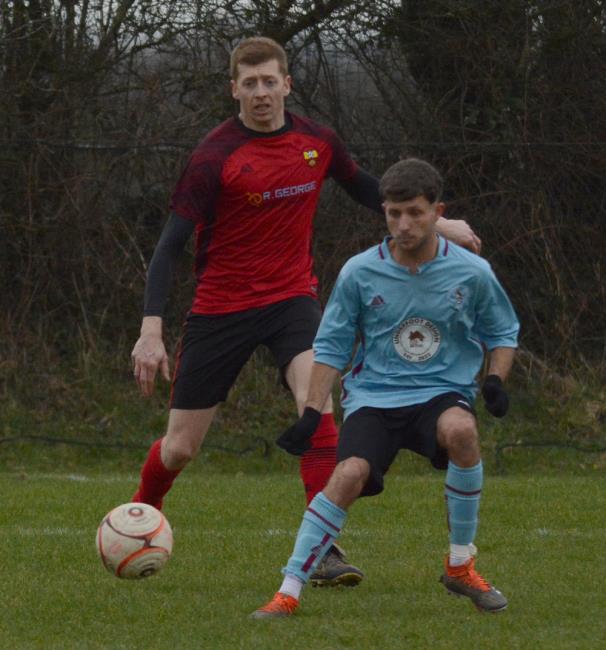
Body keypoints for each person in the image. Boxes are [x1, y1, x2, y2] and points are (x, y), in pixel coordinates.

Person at [129, 37, 482, 587]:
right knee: (179, 447)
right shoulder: (213, 157)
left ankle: (322, 549)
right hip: (221, 308)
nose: (261, 92)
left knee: (315, 403)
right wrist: (151, 329)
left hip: (292, 299)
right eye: (250, 83)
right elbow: (170, 245)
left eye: (270, 81)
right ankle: (138, 517)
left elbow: (368, 189)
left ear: (287, 84)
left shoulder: (316, 141)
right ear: (234, 90)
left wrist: (439, 225)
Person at [252, 157, 519, 618]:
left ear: (438, 211)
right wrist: (312, 413)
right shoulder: (359, 272)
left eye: (415, 212)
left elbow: (503, 331)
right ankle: (289, 588)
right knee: (349, 474)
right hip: (374, 397)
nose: (404, 224)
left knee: (462, 432)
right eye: (394, 213)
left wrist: (495, 380)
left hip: (440, 391)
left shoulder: (472, 272)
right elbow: (331, 345)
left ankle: (460, 565)